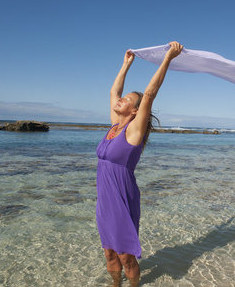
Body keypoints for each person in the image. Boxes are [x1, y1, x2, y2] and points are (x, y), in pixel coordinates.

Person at [96, 41, 183, 286]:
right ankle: (115, 285)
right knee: (109, 252)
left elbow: (150, 94)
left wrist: (168, 58)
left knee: (126, 256)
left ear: (135, 111)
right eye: (122, 98)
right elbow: (113, 92)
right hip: (104, 200)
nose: (121, 100)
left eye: (127, 100)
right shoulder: (115, 126)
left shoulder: (134, 132)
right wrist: (125, 65)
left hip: (122, 197)